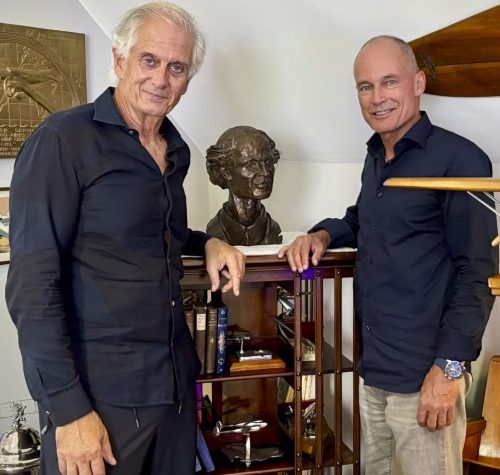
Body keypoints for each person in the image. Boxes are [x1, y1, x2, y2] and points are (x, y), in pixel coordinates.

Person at [5, 2, 245, 475]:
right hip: (100, 401)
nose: (161, 78)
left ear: (187, 80)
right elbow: (32, 287)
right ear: (119, 60)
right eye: (149, 60)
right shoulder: (62, 140)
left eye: (176, 67)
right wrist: (68, 410)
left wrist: (207, 243)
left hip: (174, 391)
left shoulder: (176, 149)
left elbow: (157, 234)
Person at [278, 35, 498, 474]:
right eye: (366, 86)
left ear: (418, 83)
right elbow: (364, 219)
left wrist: (449, 369)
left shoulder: (462, 160)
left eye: (389, 82)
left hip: (426, 378)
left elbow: (479, 273)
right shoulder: (376, 156)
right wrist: (323, 234)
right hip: (374, 371)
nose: (377, 97)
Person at [206, 125, 282, 245]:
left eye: (268, 162)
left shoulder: (273, 230)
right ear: (225, 171)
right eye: (252, 164)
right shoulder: (215, 231)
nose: (265, 172)